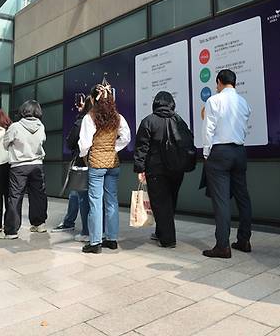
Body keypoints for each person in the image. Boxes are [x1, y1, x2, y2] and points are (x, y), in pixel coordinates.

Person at [202, 69, 253, 259]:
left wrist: (206, 153)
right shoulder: (243, 102)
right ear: (235, 83)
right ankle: (244, 240)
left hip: (220, 152)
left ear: (219, 82)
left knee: (221, 200)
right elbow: (244, 125)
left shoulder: (214, 100)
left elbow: (209, 128)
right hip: (239, 151)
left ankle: (222, 246)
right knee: (243, 196)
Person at [78, 82, 131, 254]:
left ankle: (95, 242)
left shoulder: (89, 117)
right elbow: (127, 138)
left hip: (96, 164)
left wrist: (84, 154)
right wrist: (113, 148)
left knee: (95, 201)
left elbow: (84, 144)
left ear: (93, 99)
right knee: (112, 201)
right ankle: (112, 239)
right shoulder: (118, 117)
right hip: (113, 163)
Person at [134, 91, 190, 248]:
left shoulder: (148, 121)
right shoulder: (179, 121)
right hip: (177, 170)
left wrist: (140, 169)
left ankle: (168, 239)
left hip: (156, 170)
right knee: (170, 201)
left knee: (160, 203)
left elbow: (141, 147)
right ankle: (160, 232)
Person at [1, 100, 48, 240]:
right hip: (37, 164)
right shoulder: (41, 126)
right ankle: (39, 224)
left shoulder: (15, 126)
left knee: (15, 197)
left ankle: (12, 231)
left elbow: (5, 143)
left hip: (19, 165)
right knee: (38, 195)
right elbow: (42, 141)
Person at [52, 94, 90, 242]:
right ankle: (72, 222)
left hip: (82, 163)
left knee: (82, 197)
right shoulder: (102, 120)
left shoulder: (82, 122)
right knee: (79, 195)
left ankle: (87, 230)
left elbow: (70, 142)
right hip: (99, 162)